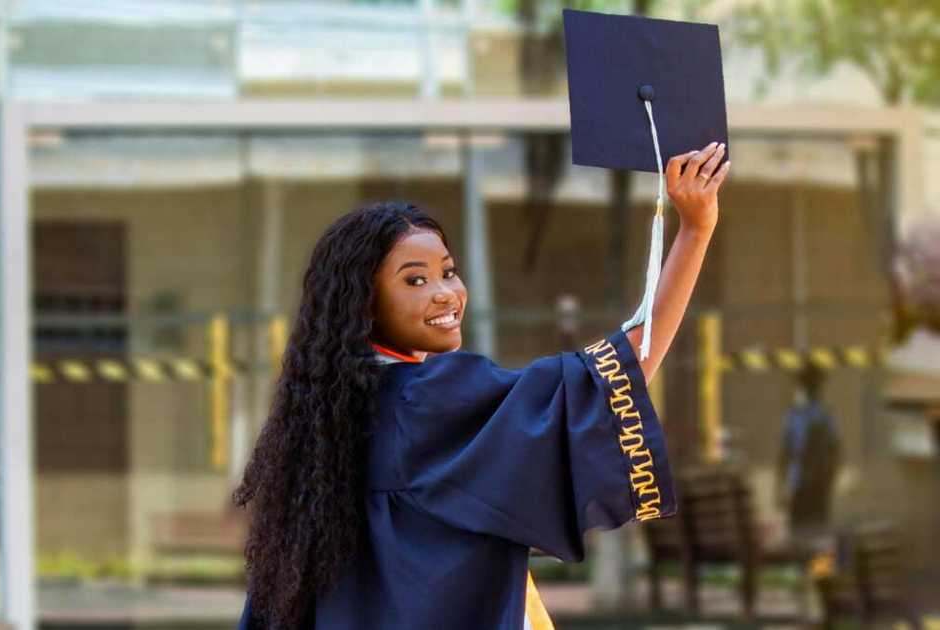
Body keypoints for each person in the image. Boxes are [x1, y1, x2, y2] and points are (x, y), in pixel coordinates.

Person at [233, 141, 729, 629]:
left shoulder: (328, 420)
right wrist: (695, 230)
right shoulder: (426, 400)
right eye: (414, 281)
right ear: (363, 304)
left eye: (447, 271)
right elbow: (626, 366)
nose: (446, 293)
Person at [776, 360, 841, 544]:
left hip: (807, 485)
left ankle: (814, 570)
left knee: (808, 535)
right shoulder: (820, 416)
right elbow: (835, 452)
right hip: (810, 485)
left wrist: (780, 487)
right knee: (812, 535)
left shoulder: (805, 416)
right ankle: (816, 570)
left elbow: (785, 453)